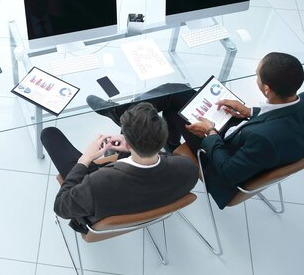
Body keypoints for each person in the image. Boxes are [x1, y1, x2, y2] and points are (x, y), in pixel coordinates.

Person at [87, 52, 304, 209]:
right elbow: (277, 120)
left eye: (257, 76)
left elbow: (228, 172)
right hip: (246, 137)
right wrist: (249, 112)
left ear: (266, 88)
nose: (255, 78)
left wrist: (210, 134)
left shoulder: (263, 139)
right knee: (178, 93)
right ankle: (148, 129)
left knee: (174, 103)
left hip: (220, 157)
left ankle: (124, 117)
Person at [41, 102, 198, 233]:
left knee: (49, 134)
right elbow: (166, 161)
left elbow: (61, 207)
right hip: (139, 194)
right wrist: (130, 148)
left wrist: (84, 160)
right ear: (163, 138)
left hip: (104, 197)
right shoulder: (188, 168)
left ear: (128, 144)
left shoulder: (96, 183)